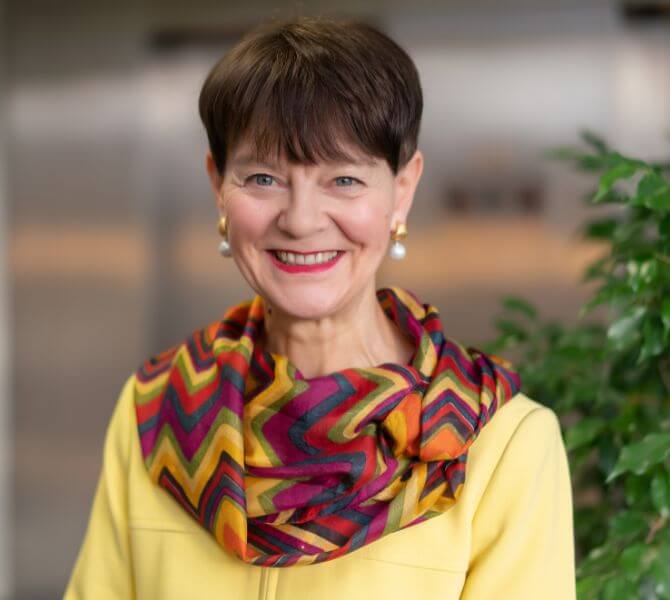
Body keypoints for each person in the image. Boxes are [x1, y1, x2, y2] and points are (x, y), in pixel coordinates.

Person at [64, 15, 576, 599]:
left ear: (401, 190)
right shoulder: (159, 411)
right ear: (218, 187)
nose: (301, 220)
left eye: (344, 180)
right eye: (262, 177)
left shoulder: (502, 445)